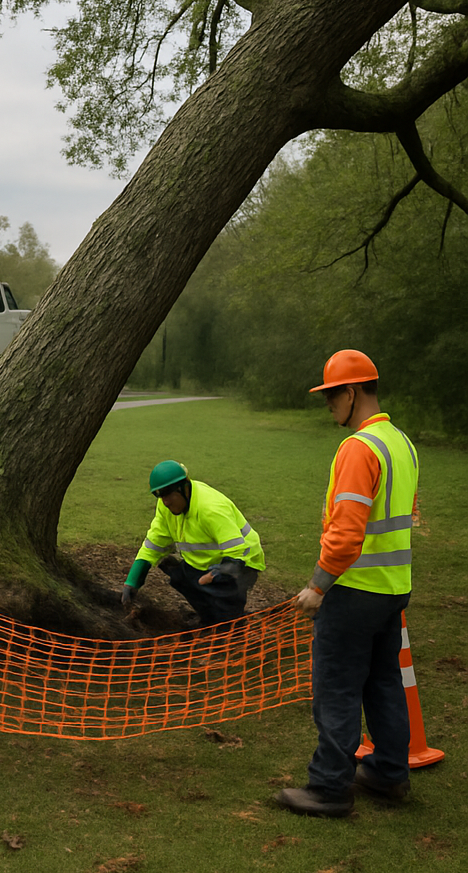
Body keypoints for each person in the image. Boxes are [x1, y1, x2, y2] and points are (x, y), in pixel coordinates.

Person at [276, 350, 418, 818]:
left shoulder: (359, 448)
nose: (328, 406)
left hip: (353, 591)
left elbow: (346, 530)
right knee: (383, 683)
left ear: (352, 392)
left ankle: (330, 788)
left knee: (336, 688)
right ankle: (389, 773)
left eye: (330, 396)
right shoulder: (400, 442)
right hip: (392, 588)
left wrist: (318, 586)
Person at [121, 460, 264, 626]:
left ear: (184, 487)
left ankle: (230, 628)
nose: (165, 501)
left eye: (169, 494)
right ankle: (210, 620)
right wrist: (133, 582)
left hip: (242, 561)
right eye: (159, 495)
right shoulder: (165, 507)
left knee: (224, 606)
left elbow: (238, 552)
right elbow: (154, 544)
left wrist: (218, 573)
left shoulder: (210, 509)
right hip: (209, 561)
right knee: (180, 576)